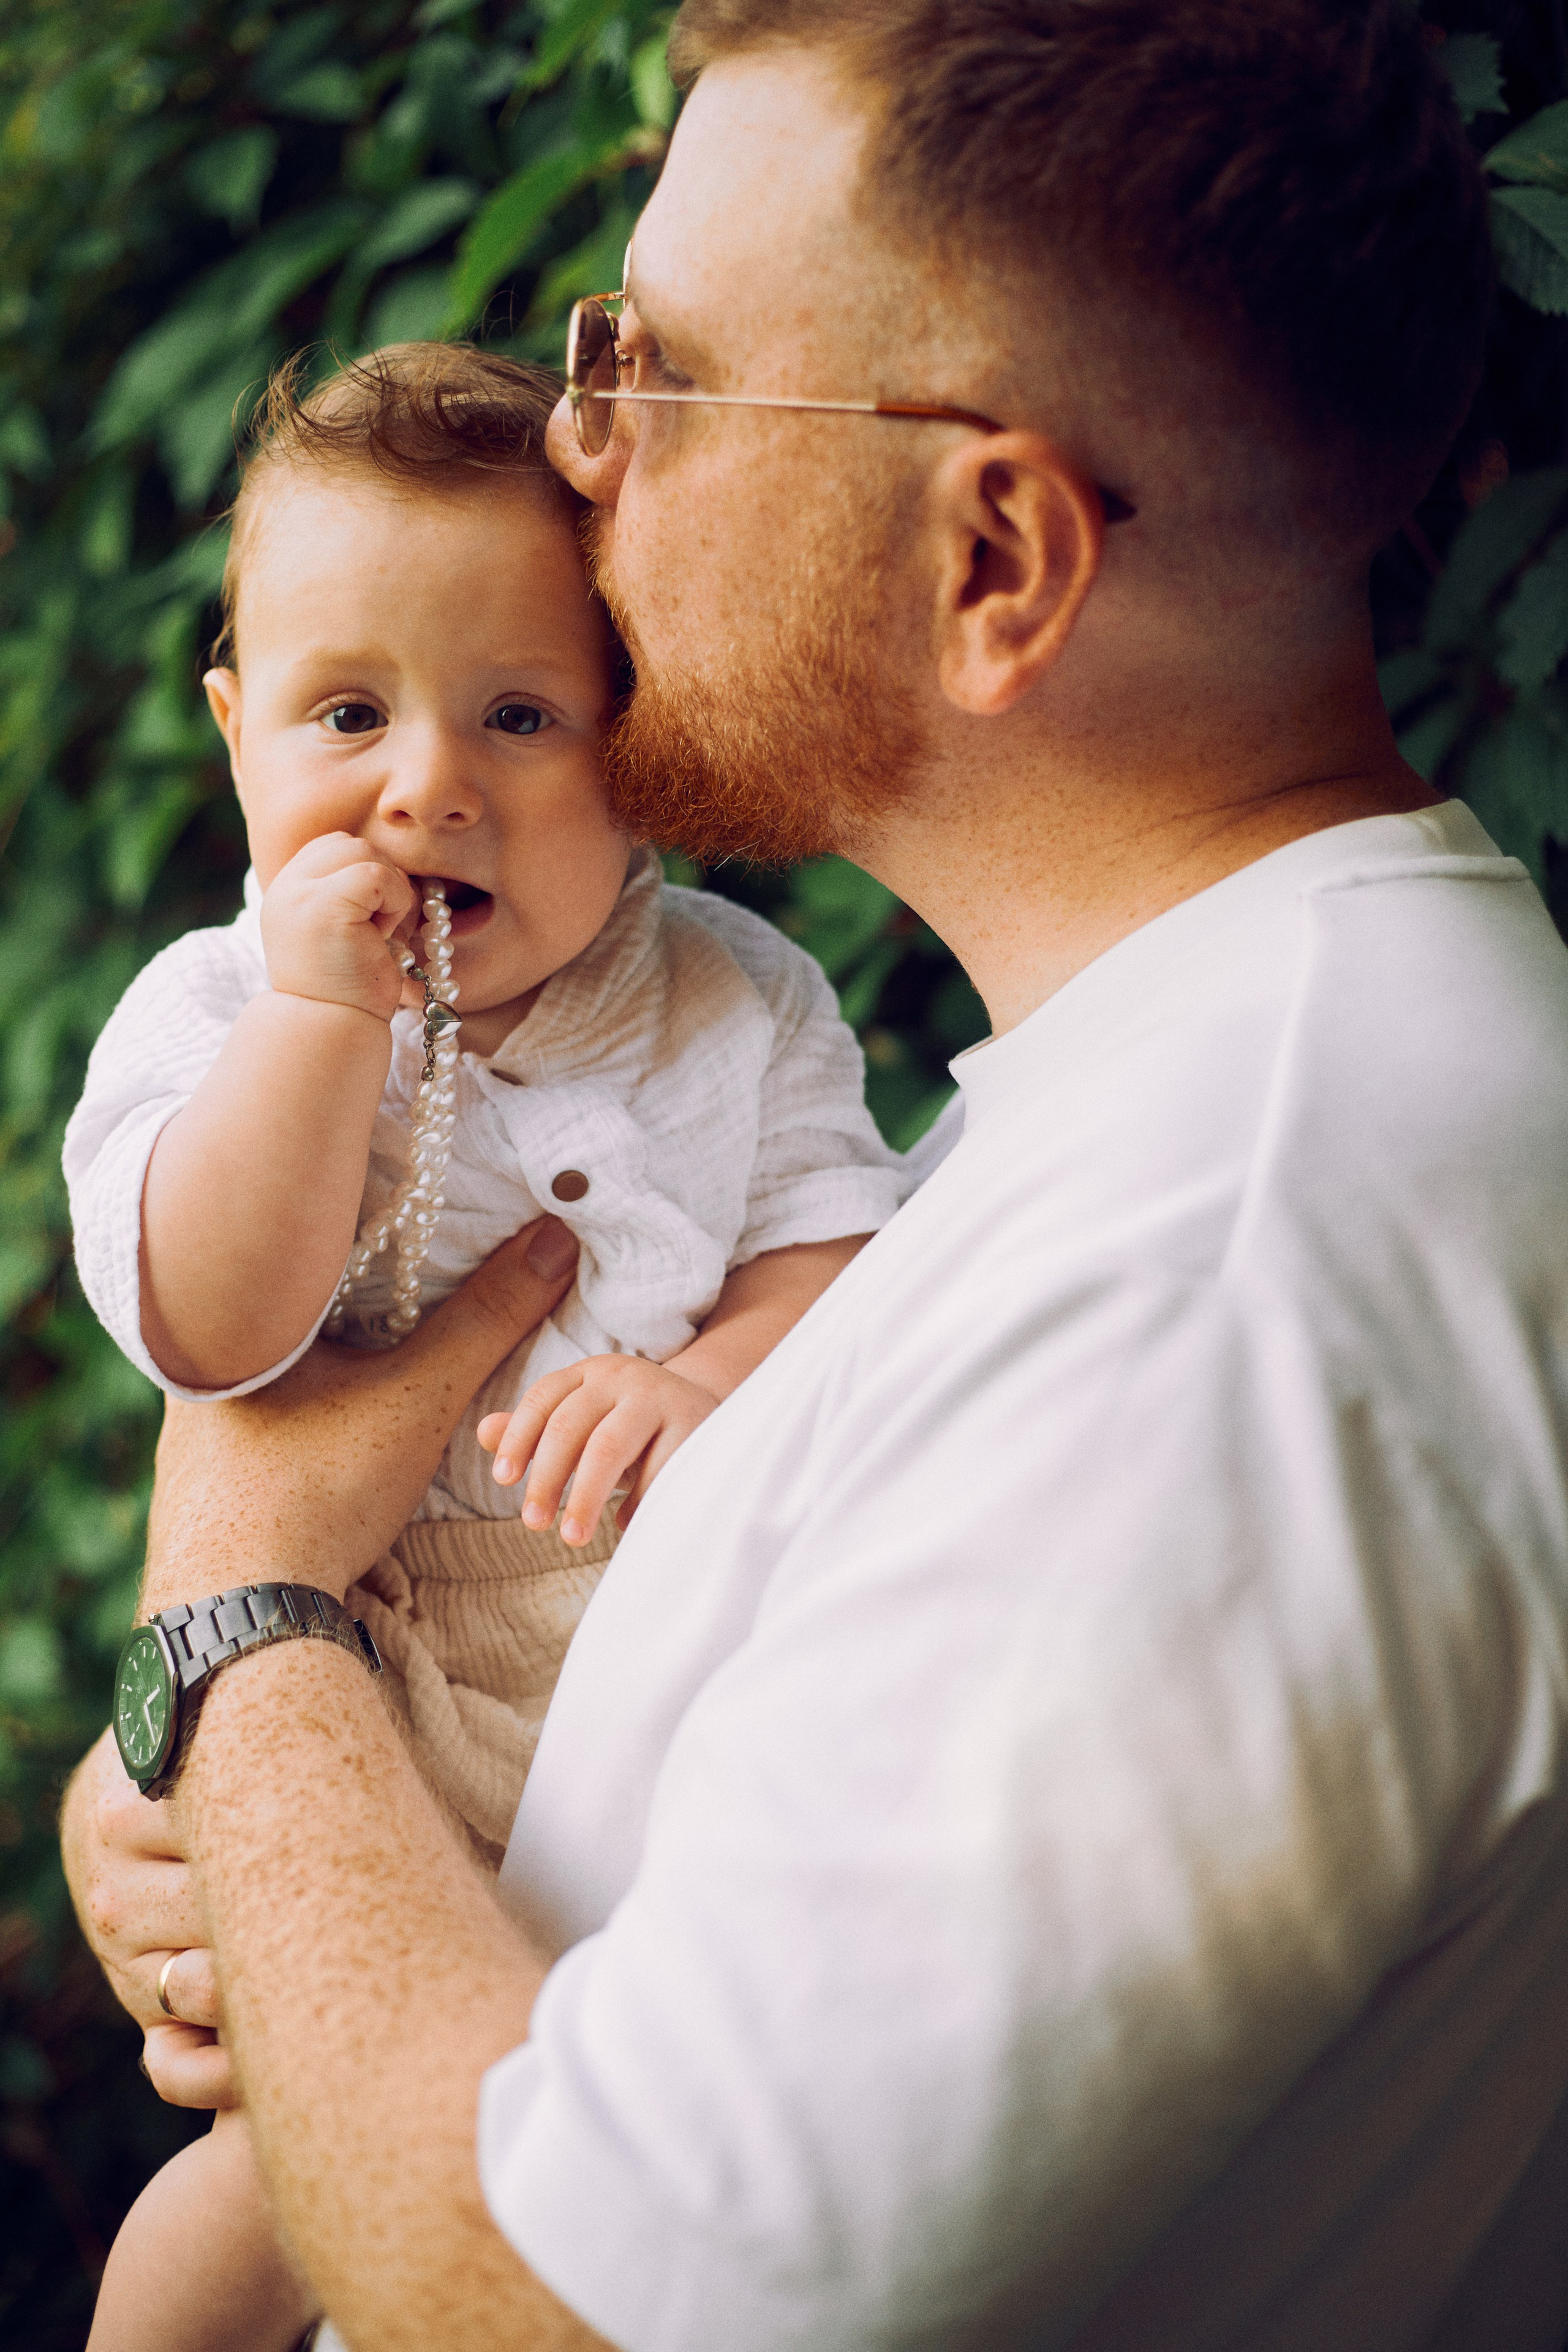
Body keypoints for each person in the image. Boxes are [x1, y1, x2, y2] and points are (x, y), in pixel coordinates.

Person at [61, 2, 1568, 2347]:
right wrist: (260, 1816)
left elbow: (574, 2304)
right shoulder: (1159, 1108)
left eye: (657, 375)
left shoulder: (1234, 1257)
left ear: (996, 557)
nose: (579, 448)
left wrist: (234, 1627)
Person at [64, 342, 899, 2351]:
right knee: (265, 2191)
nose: (428, 784)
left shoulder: (737, 999)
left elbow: (839, 1244)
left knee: (624, 2119)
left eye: (521, 715)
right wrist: (319, 1025)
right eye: (347, 713)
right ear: (236, 735)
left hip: (665, 1668)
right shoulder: (210, 1019)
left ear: (639, 742)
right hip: (380, 1683)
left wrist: (704, 1381)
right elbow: (215, 1323)